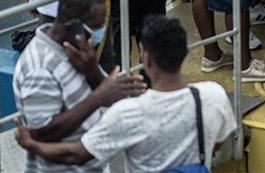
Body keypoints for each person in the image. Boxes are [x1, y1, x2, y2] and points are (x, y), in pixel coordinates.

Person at [16, 16, 237, 172]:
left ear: (146, 59)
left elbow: (77, 154)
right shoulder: (213, 95)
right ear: (185, 53)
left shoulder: (128, 113)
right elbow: (217, 144)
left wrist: (32, 144)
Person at [13, 0, 146, 173]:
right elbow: (42, 133)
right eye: (96, 26)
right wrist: (98, 96)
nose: (101, 32)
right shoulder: (39, 69)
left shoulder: (77, 49)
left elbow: (111, 97)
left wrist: (93, 73)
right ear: (73, 24)